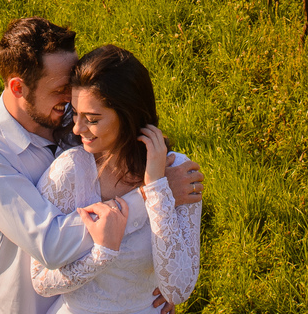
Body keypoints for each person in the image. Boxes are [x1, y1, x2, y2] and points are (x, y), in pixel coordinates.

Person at [0, 18, 205, 314]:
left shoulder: (68, 114)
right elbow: (51, 244)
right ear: (18, 88)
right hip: (28, 305)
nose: (70, 99)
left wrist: (147, 288)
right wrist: (154, 195)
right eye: (62, 88)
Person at [30, 45, 202, 314]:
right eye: (75, 114)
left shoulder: (176, 170)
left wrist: (157, 186)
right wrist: (101, 255)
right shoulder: (69, 171)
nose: (77, 128)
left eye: (93, 119)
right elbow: (41, 280)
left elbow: (178, 289)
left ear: (128, 115)